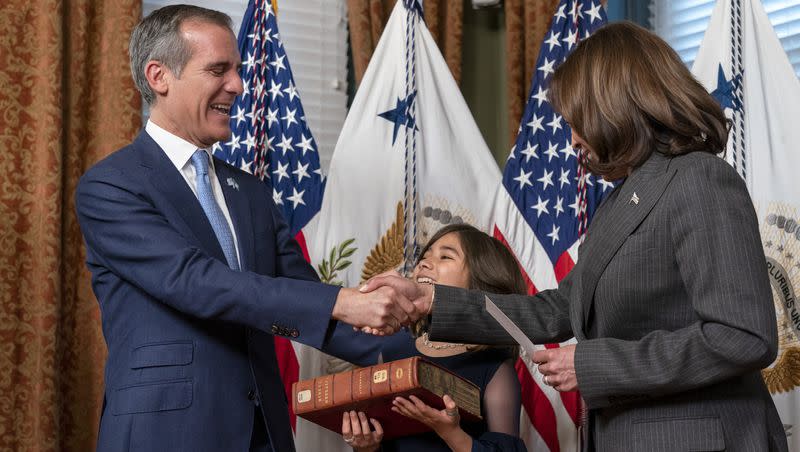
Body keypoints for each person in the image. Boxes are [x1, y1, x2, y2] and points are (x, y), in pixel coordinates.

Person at [362, 22, 789, 451]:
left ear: (614, 106)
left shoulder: (699, 179)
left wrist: (590, 364)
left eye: (577, 122)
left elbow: (743, 337)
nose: (572, 140)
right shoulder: (621, 201)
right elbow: (557, 310)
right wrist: (428, 299)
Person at [75, 5, 415, 452]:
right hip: (166, 433)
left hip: (264, 433)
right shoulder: (111, 185)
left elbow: (306, 300)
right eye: (218, 70)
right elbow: (197, 283)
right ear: (159, 76)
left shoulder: (250, 192)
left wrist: (427, 356)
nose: (237, 85)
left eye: (236, 70)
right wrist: (344, 302)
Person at [341, 224, 527, 452]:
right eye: (425, 256)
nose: (423, 263)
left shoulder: (494, 367)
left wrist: (451, 433)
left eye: (445, 256)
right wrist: (366, 447)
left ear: (481, 282)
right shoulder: (392, 351)